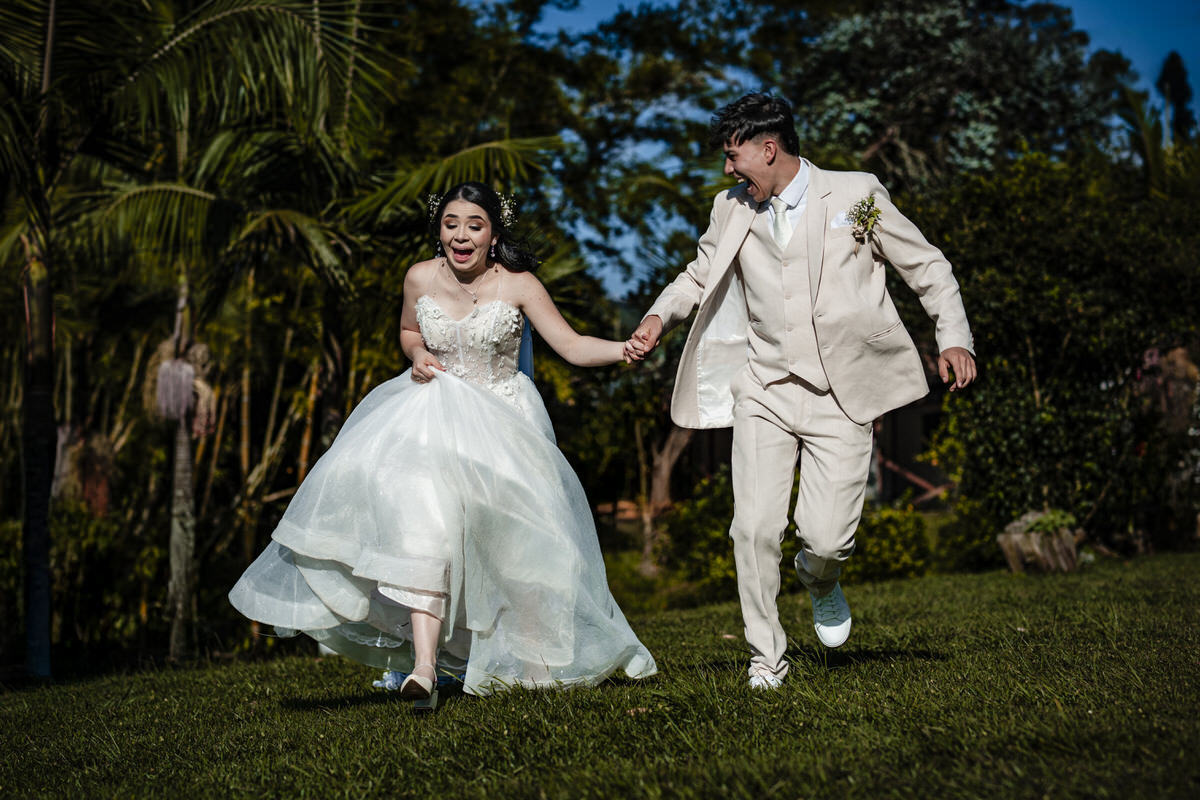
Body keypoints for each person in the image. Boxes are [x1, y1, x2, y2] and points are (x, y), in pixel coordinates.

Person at [230, 181, 656, 701]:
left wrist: (624, 350)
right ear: (439, 229)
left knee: (520, 545)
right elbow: (410, 330)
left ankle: (533, 661)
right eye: (451, 223)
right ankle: (425, 668)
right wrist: (416, 354)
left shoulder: (518, 284)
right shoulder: (419, 277)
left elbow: (570, 345)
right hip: (431, 419)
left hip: (505, 422)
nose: (461, 235)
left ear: (492, 235)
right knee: (424, 531)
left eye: (474, 225)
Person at [625, 93, 975, 690]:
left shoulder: (857, 192)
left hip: (842, 393)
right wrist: (659, 318)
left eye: (734, 157)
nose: (728, 170)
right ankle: (766, 656)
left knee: (826, 538)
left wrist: (954, 336)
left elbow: (928, 265)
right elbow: (700, 272)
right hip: (763, 387)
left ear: (769, 148)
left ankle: (821, 579)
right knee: (752, 528)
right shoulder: (729, 207)